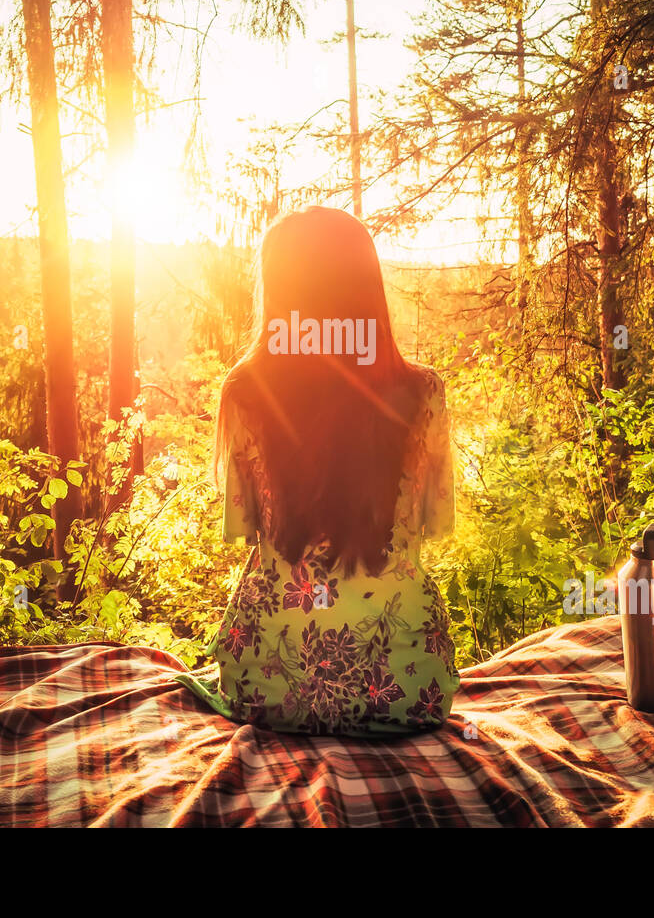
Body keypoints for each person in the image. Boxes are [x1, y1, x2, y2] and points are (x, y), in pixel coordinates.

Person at [175, 206, 459, 735]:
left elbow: (247, 530)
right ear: (366, 287)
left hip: (267, 686)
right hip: (406, 688)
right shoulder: (424, 393)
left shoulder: (244, 394)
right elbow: (431, 522)